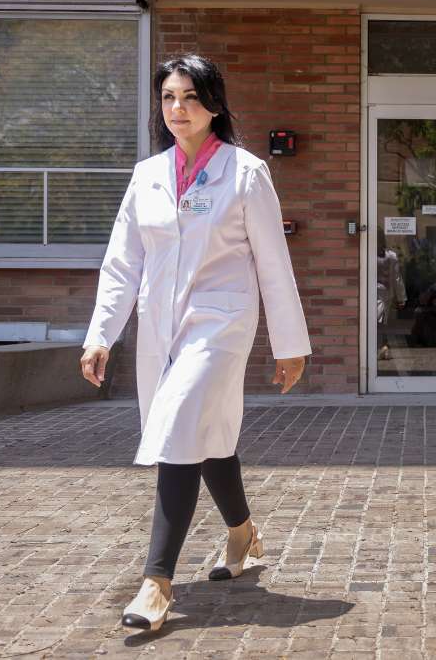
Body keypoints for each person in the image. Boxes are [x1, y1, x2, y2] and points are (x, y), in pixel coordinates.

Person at [80, 54, 310, 633]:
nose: (177, 109)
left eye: (188, 97)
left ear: (213, 104)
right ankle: (242, 533)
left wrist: (290, 344)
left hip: (222, 323)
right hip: (162, 326)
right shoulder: (147, 175)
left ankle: (156, 583)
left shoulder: (245, 171)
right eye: (167, 98)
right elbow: (122, 263)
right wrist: (101, 334)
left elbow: (273, 264)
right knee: (205, 436)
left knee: (181, 425)